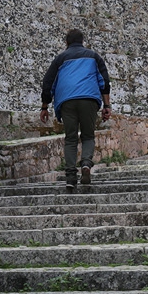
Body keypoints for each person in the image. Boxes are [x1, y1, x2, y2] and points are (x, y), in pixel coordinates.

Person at [40, 28, 112, 190]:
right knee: (88, 136)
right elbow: (104, 82)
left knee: (71, 138)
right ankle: (86, 163)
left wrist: (45, 107)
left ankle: (71, 177)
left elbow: (48, 83)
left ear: (67, 42)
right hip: (88, 100)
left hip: (67, 101)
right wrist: (106, 106)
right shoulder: (94, 57)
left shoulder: (60, 59)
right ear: (82, 41)